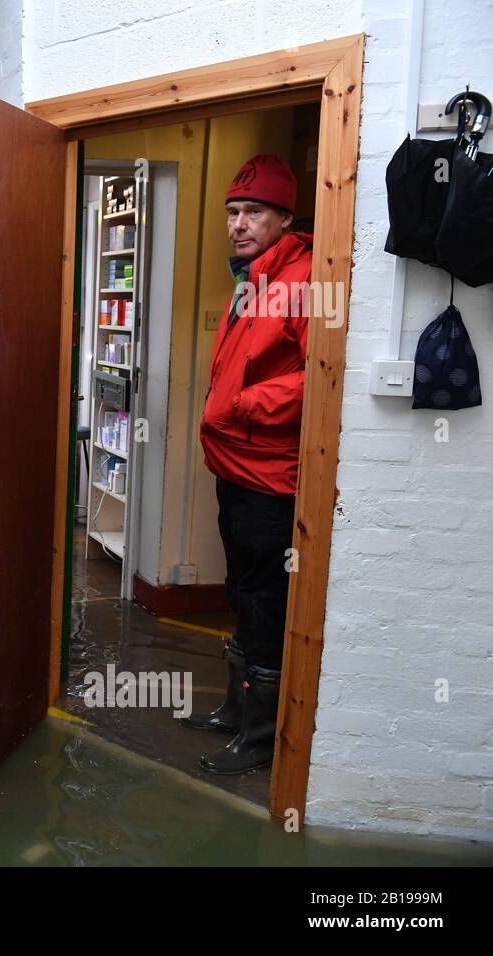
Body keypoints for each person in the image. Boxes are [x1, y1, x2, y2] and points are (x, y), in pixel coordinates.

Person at [182, 154, 312, 774]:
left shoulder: (305, 280)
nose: (238, 223)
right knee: (241, 592)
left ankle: (259, 740)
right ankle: (236, 713)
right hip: (233, 468)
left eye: (253, 211)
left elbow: (319, 379)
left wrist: (238, 404)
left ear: (285, 216)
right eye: (232, 212)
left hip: (270, 479)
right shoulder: (250, 281)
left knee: (264, 602)